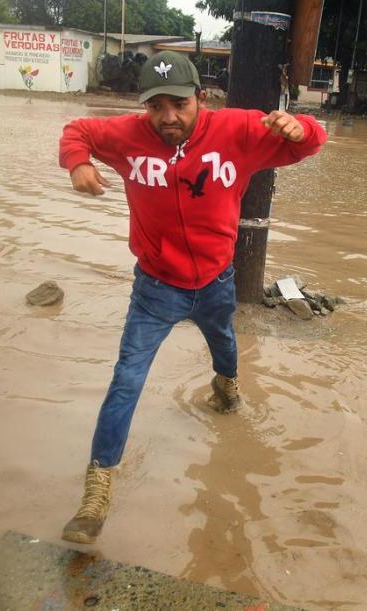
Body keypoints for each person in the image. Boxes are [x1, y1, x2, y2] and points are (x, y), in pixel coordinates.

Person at [57, 50, 327, 544]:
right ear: (144, 107)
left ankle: (226, 388)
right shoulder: (128, 136)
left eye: (178, 104)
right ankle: (97, 491)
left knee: (224, 345)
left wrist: (300, 128)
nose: (167, 118)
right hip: (155, 288)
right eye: (155, 106)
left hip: (216, 283)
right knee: (126, 380)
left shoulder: (238, 131)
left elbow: (312, 140)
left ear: (201, 98)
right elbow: (78, 131)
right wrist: (77, 164)